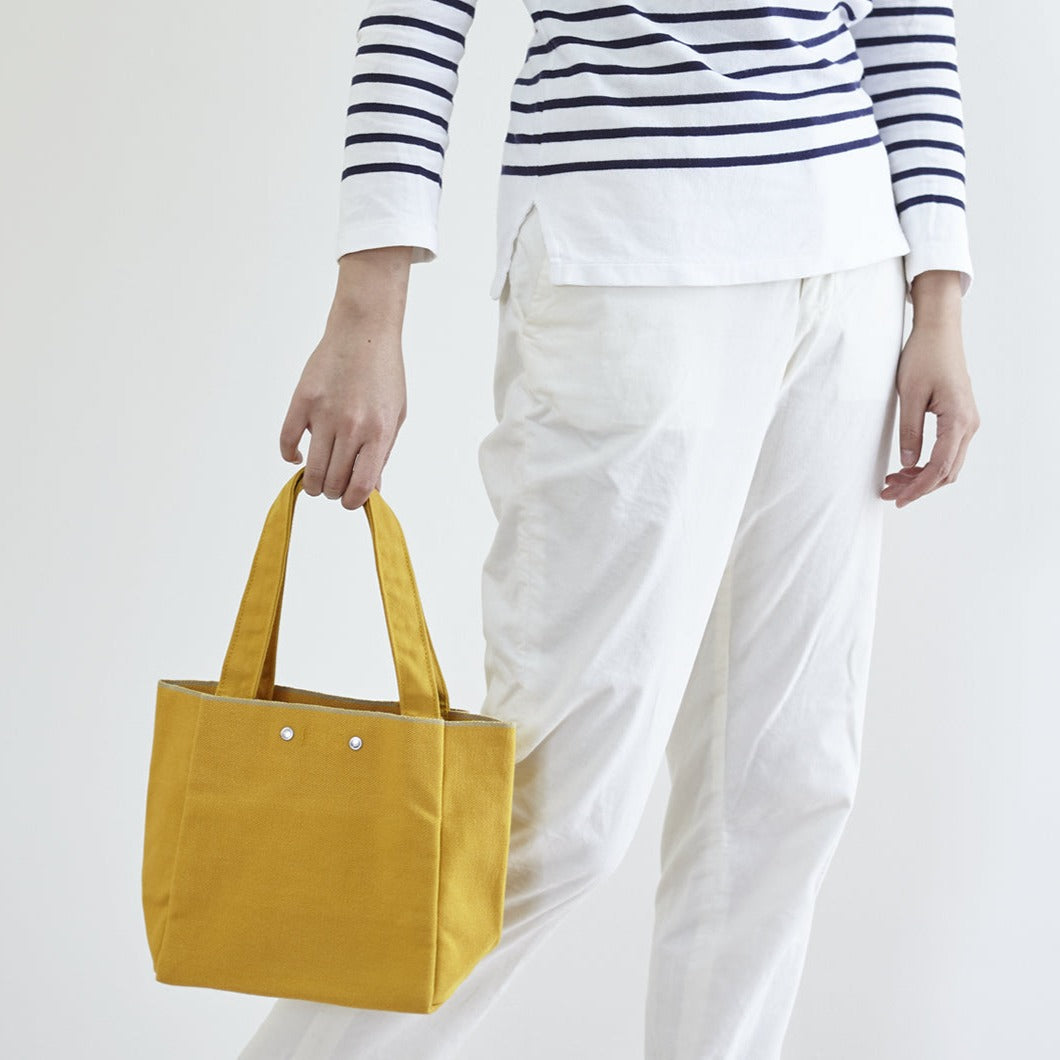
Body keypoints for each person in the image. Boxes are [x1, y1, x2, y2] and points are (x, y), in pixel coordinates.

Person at [241, 1, 979, 1057]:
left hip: (851, 261)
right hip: (626, 259)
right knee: (550, 810)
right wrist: (367, 308)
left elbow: (907, 14)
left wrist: (938, 294)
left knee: (785, 785)